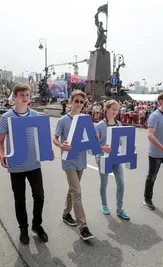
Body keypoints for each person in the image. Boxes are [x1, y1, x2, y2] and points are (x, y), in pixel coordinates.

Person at [0, 83, 48, 245]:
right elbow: (0, 142)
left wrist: (47, 150)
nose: (26, 98)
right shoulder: (6, 117)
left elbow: (41, 138)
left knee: (39, 196)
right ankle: (23, 229)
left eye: (27, 95)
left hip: (34, 163)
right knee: (20, 200)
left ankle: (36, 225)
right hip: (16, 164)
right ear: (15, 97)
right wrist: (1, 154)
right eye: (22, 95)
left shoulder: (35, 115)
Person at [53, 90, 94, 241]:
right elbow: (55, 138)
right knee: (77, 191)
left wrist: (93, 138)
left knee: (72, 189)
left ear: (84, 105)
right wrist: (61, 145)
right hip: (68, 159)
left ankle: (65, 213)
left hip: (81, 159)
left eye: (81, 102)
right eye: (76, 101)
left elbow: (89, 139)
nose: (78, 104)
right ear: (71, 101)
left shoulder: (85, 120)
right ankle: (83, 226)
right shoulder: (63, 120)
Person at [95, 100, 130, 220]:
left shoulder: (119, 124)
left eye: (117, 109)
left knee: (121, 183)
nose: (115, 112)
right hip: (103, 158)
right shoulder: (99, 126)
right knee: (104, 183)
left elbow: (121, 140)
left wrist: (129, 145)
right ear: (107, 109)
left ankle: (119, 209)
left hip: (116, 157)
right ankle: (104, 204)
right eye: (113, 109)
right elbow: (92, 144)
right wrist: (101, 147)